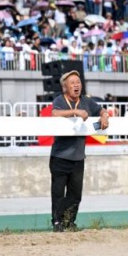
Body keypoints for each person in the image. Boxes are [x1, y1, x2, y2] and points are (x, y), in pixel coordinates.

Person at [49, 70, 109, 232]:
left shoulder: (86, 101)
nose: (77, 85)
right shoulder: (59, 100)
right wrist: (75, 112)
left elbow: (101, 110)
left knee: (75, 195)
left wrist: (104, 116)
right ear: (65, 88)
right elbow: (54, 113)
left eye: (78, 82)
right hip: (59, 156)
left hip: (78, 157)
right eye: (72, 83)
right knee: (58, 193)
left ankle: (70, 222)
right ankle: (57, 222)